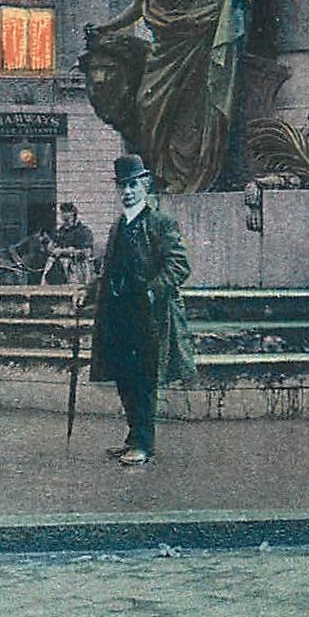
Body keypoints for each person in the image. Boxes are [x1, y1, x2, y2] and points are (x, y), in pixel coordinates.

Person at [85, 0, 258, 193]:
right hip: (169, 30)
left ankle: (190, 174)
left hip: (200, 17)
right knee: (150, 101)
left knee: (197, 101)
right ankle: (175, 172)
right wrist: (109, 28)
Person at [85, 156, 196, 466]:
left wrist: (151, 289)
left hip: (148, 316)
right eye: (122, 186)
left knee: (143, 379)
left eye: (133, 184)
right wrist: (91, 292)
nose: (127, 191)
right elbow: (110, 271)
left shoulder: (160, 222)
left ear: (145, 184)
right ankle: (132, 438)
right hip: (118, 314)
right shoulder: (118, 225)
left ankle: (144, 444)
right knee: (124, 377)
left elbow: (179, 265)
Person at [42, 202, 95, 290]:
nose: (64, 214)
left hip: (76, 266)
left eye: (67, 212)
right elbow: (53, 246)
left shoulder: (83, 230)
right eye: (62, 212)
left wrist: (66, 251)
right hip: (58, 266)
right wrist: (51, 247)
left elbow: (87, 252)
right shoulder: (60, 231)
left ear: (73, 213)